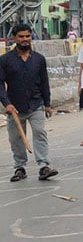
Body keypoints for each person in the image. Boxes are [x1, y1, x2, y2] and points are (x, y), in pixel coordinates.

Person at [1, 23, 57, 182]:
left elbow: (44, 82)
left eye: (27, 36)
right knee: (16, 138)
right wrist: (7, 104)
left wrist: (47, 103)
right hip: (14, 107)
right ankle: (20, 167)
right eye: (21, 37)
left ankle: (44, 166)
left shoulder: (39, 59)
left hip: (36, 104)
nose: (25, 40)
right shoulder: (5, 60)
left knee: (39, 132)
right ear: (14, 38)